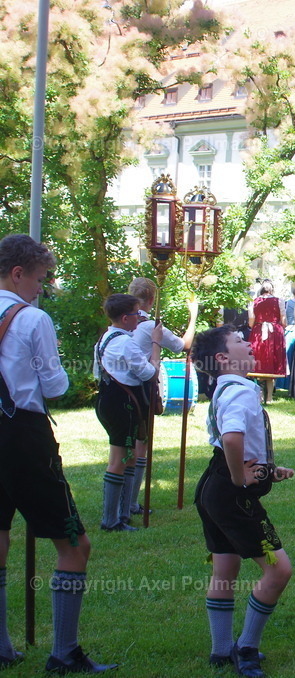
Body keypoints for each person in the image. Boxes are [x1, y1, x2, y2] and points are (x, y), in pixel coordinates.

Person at [0, 234, 116, 673]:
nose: (42, 287)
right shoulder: (32, 319)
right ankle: (64, 651)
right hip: (23, 436)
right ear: (18, 273)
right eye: (40, 278)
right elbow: (54, 386)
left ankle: (2, 645)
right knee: (74, 544)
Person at [191, 326, 295, 677]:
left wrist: (267, 469)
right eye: (238, 342)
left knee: (225, 568)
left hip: (212, 486)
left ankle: (220, 651)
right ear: (222, 358)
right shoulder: (241, 391)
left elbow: (231, 444)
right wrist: (241, 479)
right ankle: (246, 648)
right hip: (231, 494)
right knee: (279, 569)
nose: (248, 343)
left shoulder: (226, 388)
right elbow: (233, 439)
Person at [126, 276, 198, 519]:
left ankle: (127, 501)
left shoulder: (121, 323)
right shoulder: (148, 326)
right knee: (139, 445)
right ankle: (131, 502)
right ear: (151, 299)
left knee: (125, 446)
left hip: (120, 389)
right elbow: (183, 345)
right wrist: (194, 315)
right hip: (142, 388)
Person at [94, 293, 161, 532]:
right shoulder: (125, 342)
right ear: (125, 318)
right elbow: (148, 373)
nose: (140, 317)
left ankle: (122, 513)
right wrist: (155, 345)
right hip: (122, 403)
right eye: (136, 314)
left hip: (107, 398)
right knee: (119, 459)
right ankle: (111, 520)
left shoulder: (105, 338)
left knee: (129, 456)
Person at [248, 281, 287, 403]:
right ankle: (269, 397)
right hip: (274, 333)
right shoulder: (279, 301)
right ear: (272, 289)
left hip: (258, 332)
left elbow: (251, 321)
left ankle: (259, 396)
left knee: (259, 363)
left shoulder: (253, 301)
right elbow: (284, 320)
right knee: (271, 363)